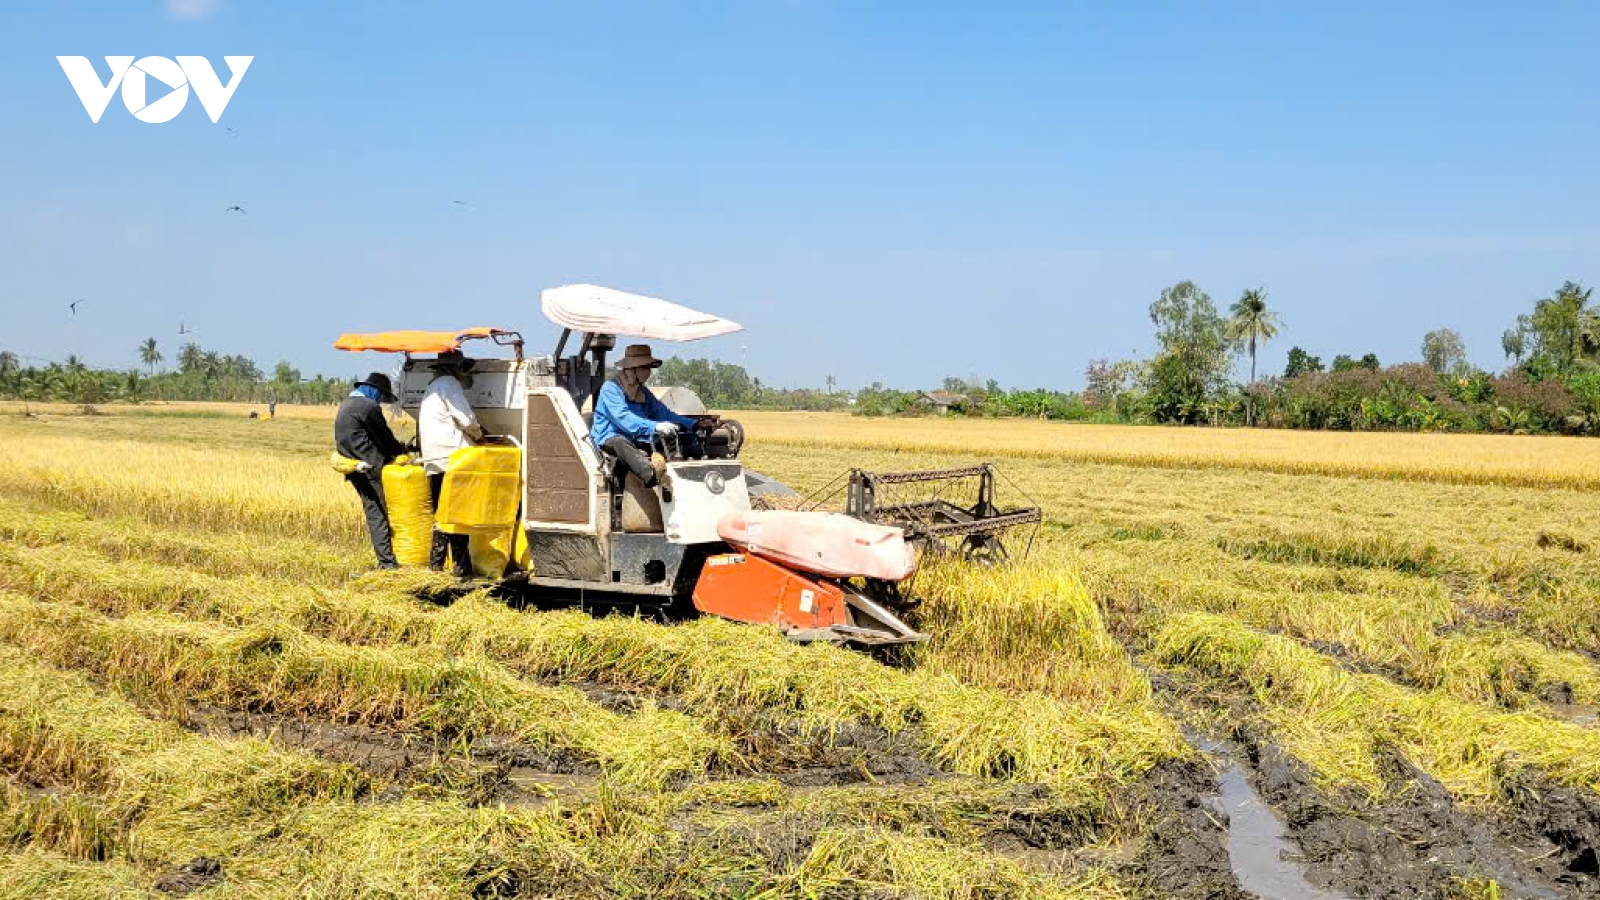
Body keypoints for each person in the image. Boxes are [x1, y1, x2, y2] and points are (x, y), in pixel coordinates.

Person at [590, 344, 701, 487]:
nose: (648, 372)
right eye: (644, 367)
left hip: (636, 438)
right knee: (620, 442)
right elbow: (624, 419)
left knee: (677, 440)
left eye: (649, 368)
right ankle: (652, 478)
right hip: (610, 439)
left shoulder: (643, 392)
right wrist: (655, 426)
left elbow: (664, 413)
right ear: (631, 369)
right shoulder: (610, 389)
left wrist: (693, 424)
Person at [419, 350, 483, 577]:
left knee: (441, 514)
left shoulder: (432, 387)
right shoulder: (450, 385)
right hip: (452, 459)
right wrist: (479, 434)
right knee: (458, 514)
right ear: (456, 368)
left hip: (433, 460)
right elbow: (466, 419)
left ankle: (435, 566)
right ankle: (461, 568)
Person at [334, 372, 406, 569]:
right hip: (370, 466)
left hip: (353, 466)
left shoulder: (347, 403)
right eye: (382, 396)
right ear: (374, 391)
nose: (381, 401)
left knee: (372, 509)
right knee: (379, 512)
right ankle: (388, 563)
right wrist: (400, 450)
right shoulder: (368, 406)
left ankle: (386, 559)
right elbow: (383, 436)